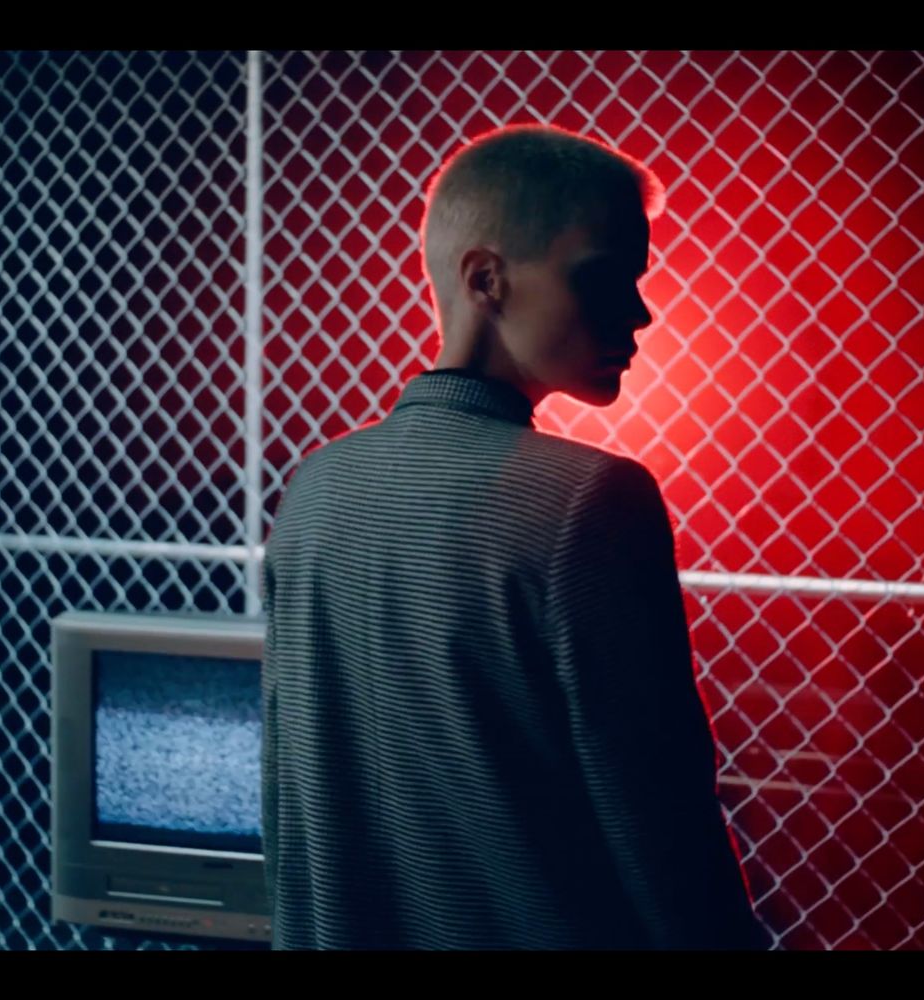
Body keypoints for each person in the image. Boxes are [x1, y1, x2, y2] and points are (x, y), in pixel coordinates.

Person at [260, 123, 771, 950]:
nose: (641, 313)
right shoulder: (592, 501)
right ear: (486, 279)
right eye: (605, 278)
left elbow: (290, 807)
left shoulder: (315, 490)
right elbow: (662, 822)